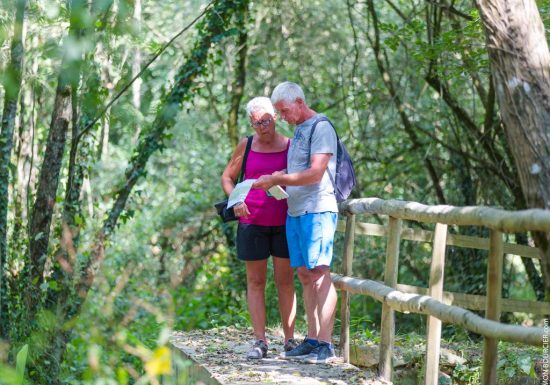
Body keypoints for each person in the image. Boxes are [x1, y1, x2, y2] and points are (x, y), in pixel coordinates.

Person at [252, 82, 339, 364]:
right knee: (304, 274)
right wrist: (281, 174)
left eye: (285, 111)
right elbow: (299, 169)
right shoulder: (299, 130)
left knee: (320, 273)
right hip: (295, 211)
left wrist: (277, 178)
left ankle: (326, 343)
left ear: (299, 102)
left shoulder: (321, 127)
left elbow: (315, 173)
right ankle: (312, 338)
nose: (283, 118)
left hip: (317, 210)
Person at [221, 96, 298, 359]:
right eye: (257, 123)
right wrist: (237, 200)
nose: (263, 127)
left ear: (275, 117)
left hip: (284, 220)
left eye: (266, 120)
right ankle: (260, 341)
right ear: (251, 125)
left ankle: (290, 340)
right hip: (251, 222)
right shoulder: (247, 145)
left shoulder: (291, 145)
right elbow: (227, 177)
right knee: (256, 281)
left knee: (285, 281)